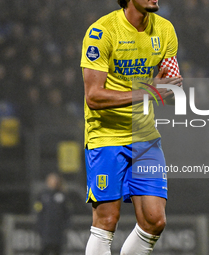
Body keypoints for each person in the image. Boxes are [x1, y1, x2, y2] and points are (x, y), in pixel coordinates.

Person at [80, 0, 183, 254]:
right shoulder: (101, 32)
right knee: (107, 221)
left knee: (154, 221)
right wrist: (149, 91)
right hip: (106, 136)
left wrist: (169, 91)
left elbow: (170, 90)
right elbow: (93, 97)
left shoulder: (165, 30)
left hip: (145, 137)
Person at [34, 173, 70, 255]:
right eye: (52, 180)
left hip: (58, 231)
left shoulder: (62, 195)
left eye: (55, 180)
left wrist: (66, 226)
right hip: (46, 230)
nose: (54, 182)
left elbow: (67, 213)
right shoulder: (42, 195)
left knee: (58, 250)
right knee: (44, 249)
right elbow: (38, 212)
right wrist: (39, 227)